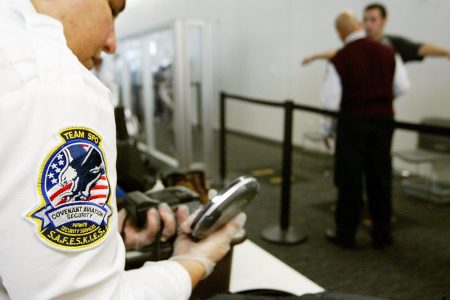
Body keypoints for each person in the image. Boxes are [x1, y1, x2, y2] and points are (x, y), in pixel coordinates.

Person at [0, 0, 244, 299]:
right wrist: (191, 263)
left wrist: (104, 242)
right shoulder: (52, 81)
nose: (112, 43)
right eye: (113, 10)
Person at [322, 11, 410, 249]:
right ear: (359, 25)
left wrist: (327, 130)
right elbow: (402, 87)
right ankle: (382, 234)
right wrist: (380, 99)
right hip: (383, 121)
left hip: (352, 122)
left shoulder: (340, 58)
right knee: (380, 176)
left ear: (340, 33)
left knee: (350, 179)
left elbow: (330, 102)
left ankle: (346, 233)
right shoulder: (388, 52)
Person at [302, 3, 450, 65]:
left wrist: (445, 52)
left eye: (373, 20)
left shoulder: (392, 44)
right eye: (365, 20)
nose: (368, 24)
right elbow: (340, 53)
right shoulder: (358, 44)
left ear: (383, 21)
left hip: (382, 108)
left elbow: (421, 48)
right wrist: (316, 56)